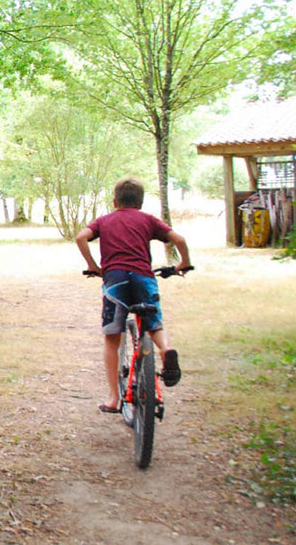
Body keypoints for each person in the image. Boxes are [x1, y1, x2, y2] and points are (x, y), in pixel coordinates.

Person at [75, 177, 191, 414]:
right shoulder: (147, 219)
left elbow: (80, 237)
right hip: (143, 277)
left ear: (115, 201)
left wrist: (93, 265)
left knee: (112, 337)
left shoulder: (104, 220)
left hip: (115, 281)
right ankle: (165, 350)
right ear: (141, 202)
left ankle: (113, 399)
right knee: (154, 324)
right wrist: (184, 264)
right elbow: (179, 239)